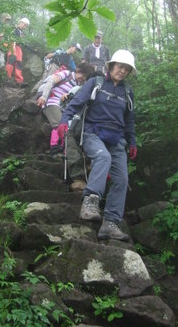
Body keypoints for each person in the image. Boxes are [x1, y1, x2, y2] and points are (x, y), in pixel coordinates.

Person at [57, 50, 137, 241]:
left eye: (127, 69)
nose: (123, 71)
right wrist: (63, 121)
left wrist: (132, 141)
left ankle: (110, 223)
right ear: (111, 66)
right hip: (93, 133)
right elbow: (76, 102)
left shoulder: (127, 92)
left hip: (117, 139)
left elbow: (130, 120)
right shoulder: (96, 83)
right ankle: (90, 202)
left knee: (122, 179)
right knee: (103, 158)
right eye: (120, 67)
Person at [36, 62, 95, 156]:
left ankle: (62, 147)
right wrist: (44, 96)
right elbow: (51, 81)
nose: (83, 78)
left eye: (85, 77)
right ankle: (55, 147)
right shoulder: (66, 74)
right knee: (60, 124)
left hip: (63, 107)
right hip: (51, 101)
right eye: (82, 75)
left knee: (67, 124)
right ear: (78, 70)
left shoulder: (79, 85)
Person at [5, 17, 30, 85]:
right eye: (24, 25)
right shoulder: (14, 29)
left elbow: (23, 42)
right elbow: (10, 37)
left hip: (18, 47)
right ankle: (8, 77)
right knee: (11, 60)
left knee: (19, 63)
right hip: (12, 44)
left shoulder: (22, 33)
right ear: (20, 22)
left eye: (26, 26)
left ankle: (19, 80)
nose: (25, 27)